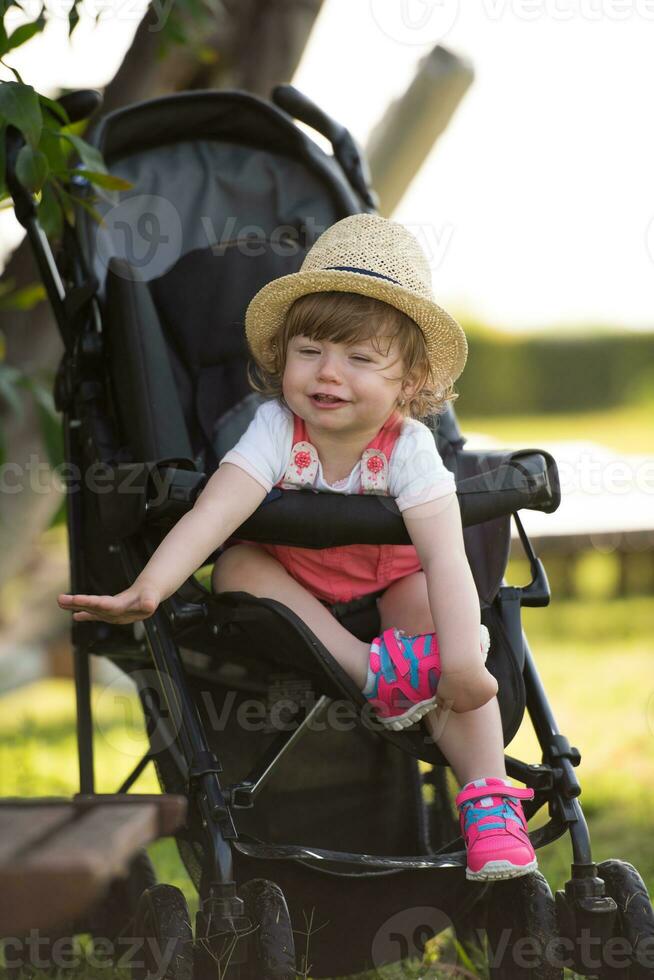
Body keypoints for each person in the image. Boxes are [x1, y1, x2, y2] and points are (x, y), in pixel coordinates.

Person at [58, 213, 537, 882]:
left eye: (360, 358)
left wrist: (459, 658)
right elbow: (215, 508)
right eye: (309, 351)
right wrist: (152, 585)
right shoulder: (276, 428)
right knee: (236, 565)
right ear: (283, 355)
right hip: (298, 582)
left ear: (409, 380)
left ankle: (487, 803)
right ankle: (370, 669)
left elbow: (444, 557)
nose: (327, 373)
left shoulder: (410, 449)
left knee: (446, 638)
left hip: (392, 577)